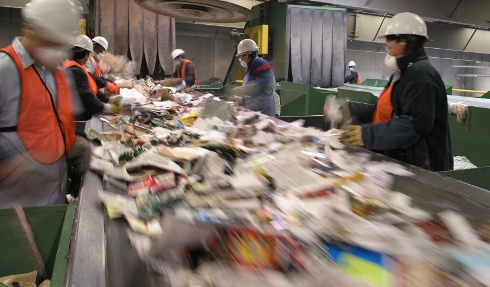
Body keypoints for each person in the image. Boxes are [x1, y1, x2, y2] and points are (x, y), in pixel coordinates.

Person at [337, 12, 453, 172]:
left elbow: (414, 126)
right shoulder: (403, 73)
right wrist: (352, 109)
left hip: (421, 169)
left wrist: (368, 135)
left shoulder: (421, 75)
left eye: (390, 43)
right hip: (403, 161)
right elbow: (391, 111)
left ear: (404, 41)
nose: (388, 49)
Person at [0, 0, 83, 207]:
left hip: (54, 197)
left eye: (61, 43)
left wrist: (76, 142)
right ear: (29, 28)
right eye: (51, 40)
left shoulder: (58, 72)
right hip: (14, 208)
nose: (57, 50)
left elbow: (60, 120)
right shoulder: (4, 70)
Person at [64, 35, 120, 136]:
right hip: (76, 119)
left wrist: (107, 100)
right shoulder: (74, 70)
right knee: (91, 140)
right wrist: (103, 107)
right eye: (88, 54)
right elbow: (86, 95)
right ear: (85, 55)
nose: (88, 57)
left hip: (81, 113)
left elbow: (90, 84)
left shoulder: (76, 67)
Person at [226, 39, 276, 117]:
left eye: (240, 57)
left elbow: (260, 86)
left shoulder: (260, 63)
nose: (240, 60)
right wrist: (240, 99)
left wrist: (238, 90)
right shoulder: (251, 67)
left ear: (246, 55)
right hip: (256, 110)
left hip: (263, 111)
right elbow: (253, 95)